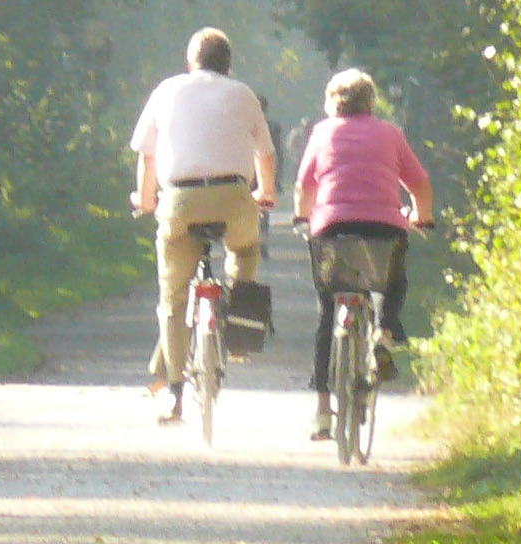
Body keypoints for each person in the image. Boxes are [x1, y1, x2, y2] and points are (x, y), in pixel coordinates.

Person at [130, 27, 278, 424]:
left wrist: (146, 200)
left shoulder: (166, 91)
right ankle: (233, 309)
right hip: (233, 197)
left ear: (190, 61)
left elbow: (147, 156)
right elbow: (265, 152)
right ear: (228, 64)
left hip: (179, 200)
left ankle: (175, 394)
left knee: (173, 298)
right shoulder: (243, 93)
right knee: (245, 250)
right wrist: (267, 192)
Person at [294, 68, 433, 441]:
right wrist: (423, 217)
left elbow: (305, 184)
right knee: (392, 280)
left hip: (332, 230)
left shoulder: (322, 132)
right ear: (371, 102)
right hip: (383, 229)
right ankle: (384, 331)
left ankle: (323, 412)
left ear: (331, 102)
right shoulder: (390, 134)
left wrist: (303, 217)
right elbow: (418, 182)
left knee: (328, 312)